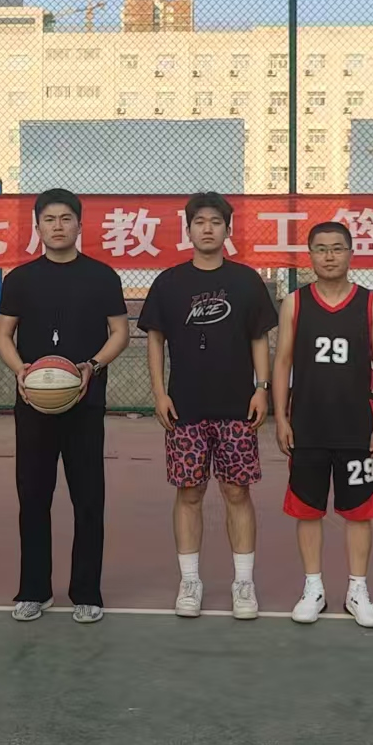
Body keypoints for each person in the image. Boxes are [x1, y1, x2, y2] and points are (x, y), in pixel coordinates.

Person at [139, 191, 276, 619]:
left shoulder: (247, 282)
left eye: (216, 222)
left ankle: (243, 584)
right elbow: (155, 340)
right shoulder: (169, 283)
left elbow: (259, 338)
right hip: (185, 408)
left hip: (237, 406)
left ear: (227, 230)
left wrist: (262, 388)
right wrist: (159, 392)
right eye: (200, 222)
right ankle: (190, 582)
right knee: (189, 492)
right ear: (188, 229)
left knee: (237, 491)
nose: (208, 229)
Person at [0, 189, 129, 624]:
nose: (58, 226)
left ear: (79, 225)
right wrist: (20, 370)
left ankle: (87, 591)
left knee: (88, 498)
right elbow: (3, 335)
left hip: (85, 403)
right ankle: (34, 590)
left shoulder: (102, 277)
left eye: (66, 218)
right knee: (33, 497)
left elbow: (120, 332)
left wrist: (93, 365)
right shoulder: (20, 279)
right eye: (49, 219)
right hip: (33, 402)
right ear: (37, 227)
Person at [271, 221, 373, 628]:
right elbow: (282, 362)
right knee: (308, 509)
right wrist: (281, 416)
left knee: (359, 511)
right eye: (321, 249)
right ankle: (314, 587)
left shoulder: (371, 304)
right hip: (308, 424)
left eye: (337, 248)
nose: (329, 256)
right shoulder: (296, 303)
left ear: (350, 253)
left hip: (357, 426)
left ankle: (358, 589)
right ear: (310, 255)